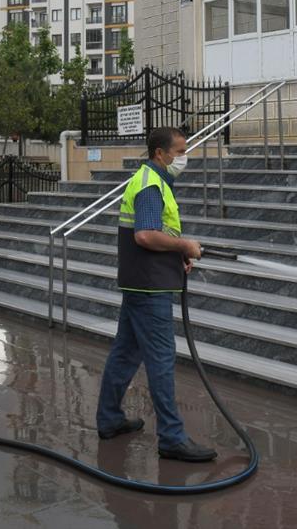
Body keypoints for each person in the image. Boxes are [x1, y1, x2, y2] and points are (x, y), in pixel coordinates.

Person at [95, 126, 218, 462]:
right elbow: (146, 236)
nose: (184, 157)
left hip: (142, 281)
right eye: (180, 151)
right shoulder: (150, 184)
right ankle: (172, 438)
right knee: (161, 360)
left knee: (125, 353)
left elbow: (156, 235)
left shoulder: (153, 180)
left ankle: (109, 419)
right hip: (150, 288)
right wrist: (184, 245)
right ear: (160, 153)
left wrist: (177, 255)